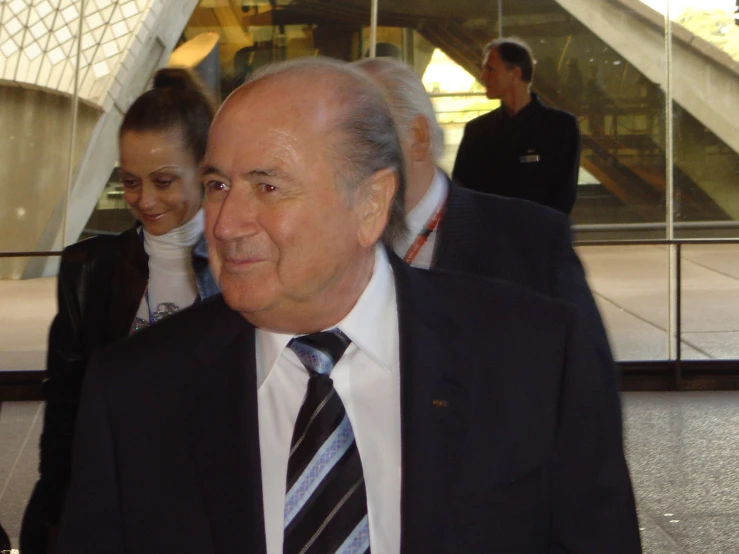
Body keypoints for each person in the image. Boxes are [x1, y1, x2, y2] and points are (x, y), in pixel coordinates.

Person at [57, 58, 641, 553]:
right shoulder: (134, 392)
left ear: (370, 205)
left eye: (267, 186)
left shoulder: (535, 358)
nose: (226, 223)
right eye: (217, 185)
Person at [20, 68, 220, 554]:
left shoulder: (239, 264)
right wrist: (55, 510)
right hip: (120, 505)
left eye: (164, 181)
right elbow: (66, 405)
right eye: (130, 181)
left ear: (207, 168)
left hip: (212, 506)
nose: (144, 200)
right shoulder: (91, 269)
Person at [354, 56, 617, 390]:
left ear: (418, 138)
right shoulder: (319, 242)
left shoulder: (532, 243)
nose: (340, 161)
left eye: (358, 139)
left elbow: (587, 392)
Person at [452, 37, 581, 214]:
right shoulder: (477, 131)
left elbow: (564, 195)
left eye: (490, 69)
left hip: (541, 236)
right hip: (491, 237)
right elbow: (462, 193)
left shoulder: (561, 128)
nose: (482, 77)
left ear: (515, 74)